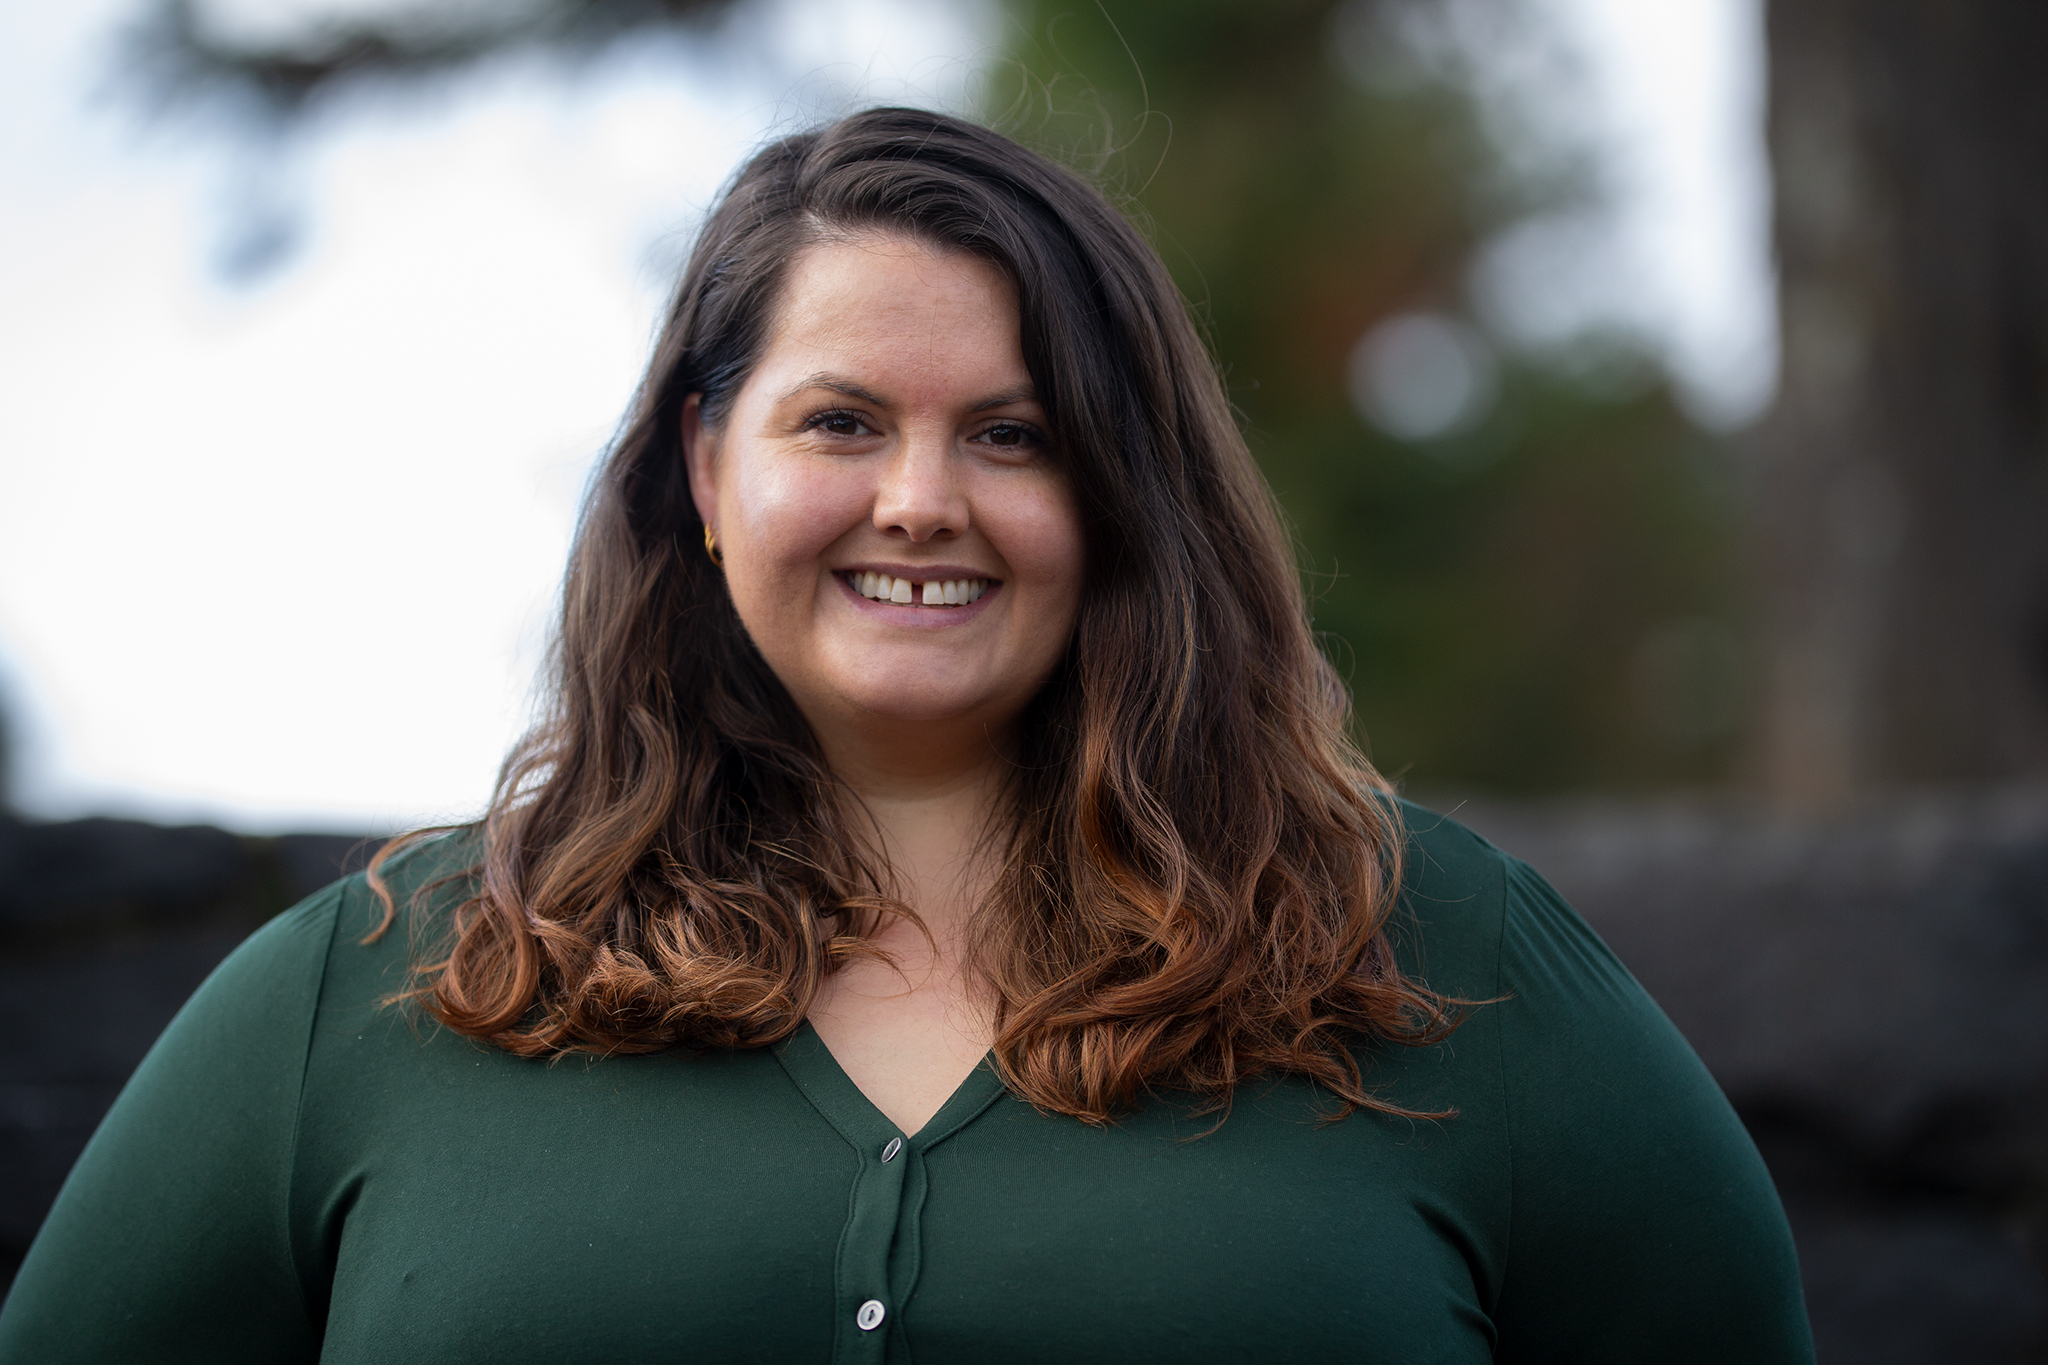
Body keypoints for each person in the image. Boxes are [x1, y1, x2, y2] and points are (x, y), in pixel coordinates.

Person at [0, 107, 1813, 1362]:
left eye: (1017, 434)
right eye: (843, 421)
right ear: (706, 469)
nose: (924, 500)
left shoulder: (1449, 970)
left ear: (1125, 494)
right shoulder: (380, 994)